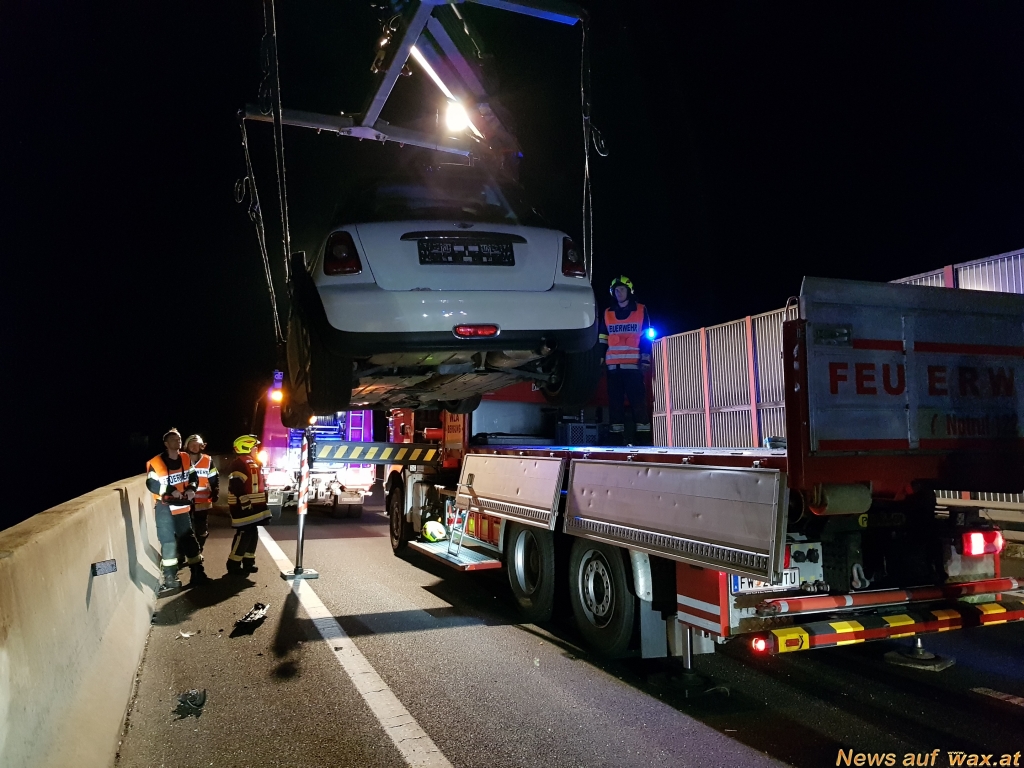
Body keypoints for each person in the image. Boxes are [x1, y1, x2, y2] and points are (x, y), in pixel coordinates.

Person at [146, 428, 211, 593]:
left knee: (189, 540)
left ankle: (198, 573)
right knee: (168, 542)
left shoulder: (185, 458)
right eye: (174, 439)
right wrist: (170, 490)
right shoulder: (155, 462)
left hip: (182, 507)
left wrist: (191, 488)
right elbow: (151, 484)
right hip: (164, 507)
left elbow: (193, 477)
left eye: (179, 439)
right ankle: (170, 577)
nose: (178, 441)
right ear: (166, 444)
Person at [598, 276, 653, 445]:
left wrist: (645, 359)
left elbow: (645, 336)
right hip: (613, 368)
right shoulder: (607, 313)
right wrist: (600, 358)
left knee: (638, 404)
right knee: (615, 405)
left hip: (633, 367)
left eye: (622, 289)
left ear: (629, 291)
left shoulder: (641, 310)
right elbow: (602, 338)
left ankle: (643, 439)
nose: (619, 292)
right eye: (616, 290)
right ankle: (616, 438)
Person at [225, 434, 271, 576]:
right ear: (246, 447)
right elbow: (235, 484)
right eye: (254, 447)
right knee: (244, 533)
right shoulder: (239, 463)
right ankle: (233, 564)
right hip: (243, 507)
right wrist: (243, 499)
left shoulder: (252, 462)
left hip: (253, 506)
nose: (257, 449)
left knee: (252, 533)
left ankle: (248, 562)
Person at [183, 434, 218, 552]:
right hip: (185, 499)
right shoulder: (181, 460)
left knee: (201, 529)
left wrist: (215, 489)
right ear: (186, 446)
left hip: (202, 500)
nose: (194, 447)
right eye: (191, 445)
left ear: (201, 446)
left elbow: (213, 476)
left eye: (196, 445)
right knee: (185, 528)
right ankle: (187, 552)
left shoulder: (207, 460)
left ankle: (199, 549)